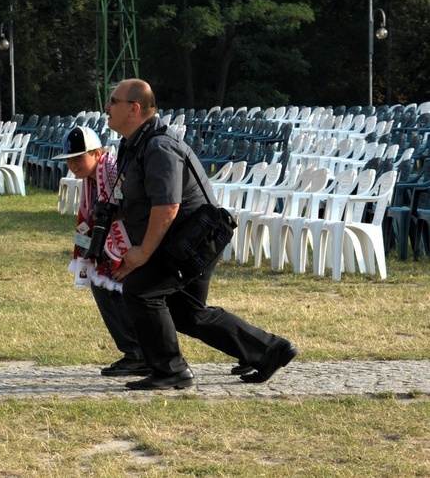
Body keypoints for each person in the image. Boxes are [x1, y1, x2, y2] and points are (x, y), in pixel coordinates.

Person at [106, 78, 298, 390]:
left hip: (193, 241)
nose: (107, 107)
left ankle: (171, 371)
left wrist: (142, 253)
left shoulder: (159, 146)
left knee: (141, 290)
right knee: (186, 312)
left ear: (134, 108)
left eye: (113, 101)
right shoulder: (135, 143)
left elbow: (167, 206)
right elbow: (143, 197)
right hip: (183, 239)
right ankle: (268, 350)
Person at [53, 126, 149, 377]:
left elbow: (135, 207)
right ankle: (136, 352)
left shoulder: (114, 172)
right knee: (104, 287)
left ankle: (139, 353)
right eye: (68, 160)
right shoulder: (92, 180)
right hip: (116, 246)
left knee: (189, 314)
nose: (72, 165)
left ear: (97, 153)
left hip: (135, 245)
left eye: (78, 158)